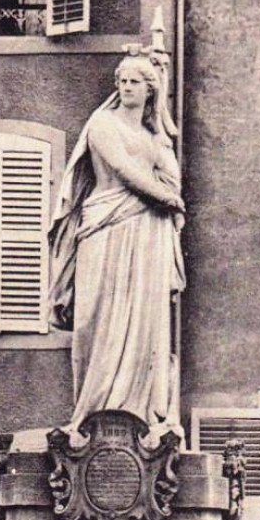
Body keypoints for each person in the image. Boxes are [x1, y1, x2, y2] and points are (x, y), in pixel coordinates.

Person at [48, 54, 186, 438]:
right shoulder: (102, 124)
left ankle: (143, 411)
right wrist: (167, 198)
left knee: (144, 319)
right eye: (122, 81)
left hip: (145, 233)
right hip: (106, 228)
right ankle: (92, 410)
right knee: (98, 316)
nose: (125, 87)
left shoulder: (154, 138)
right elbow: (125, 171)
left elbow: (172, 179)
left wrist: (166, 170)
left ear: (149, 90)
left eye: (134, 82)